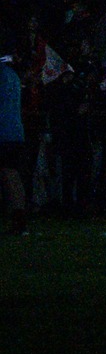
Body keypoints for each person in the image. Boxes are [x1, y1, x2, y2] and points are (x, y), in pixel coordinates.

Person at [0, 28, 26, 234]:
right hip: (15, 131)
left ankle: (17, 218)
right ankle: (19, 216)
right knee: (12, 174)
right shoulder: (13, 76)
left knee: (8, 174)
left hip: (4, 131)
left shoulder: (2, 76)